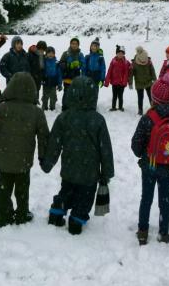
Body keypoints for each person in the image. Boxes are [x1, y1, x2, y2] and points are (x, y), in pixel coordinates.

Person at [41, 76, 114, 235]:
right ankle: (76, 219)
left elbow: (55, 143)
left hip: (69, 167)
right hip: (90, 172)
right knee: (85, 198)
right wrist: (107, 172)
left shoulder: (64, 118)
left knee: (66, 191)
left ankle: (57, 211)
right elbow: (105, 149)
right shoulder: (97, 120)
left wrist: (48, 162)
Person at [131, 73, 169, 245]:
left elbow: (136, 145)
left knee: (146, 198)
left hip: (149, 166)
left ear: (153, 97)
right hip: (167, 168)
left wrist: (145, 153)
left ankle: (143, 230)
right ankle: (164, 232)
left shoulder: (147, 118)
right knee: (165, 200)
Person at [0, 72, 50, 227]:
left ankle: (4, 215)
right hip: (24, 160)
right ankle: (22, 213)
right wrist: (42, 156)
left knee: (3, 189)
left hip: (4, 158)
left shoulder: (1, 109)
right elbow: (44, 136)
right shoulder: (36, 112)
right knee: (22, 189)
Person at [129, 46, 156, 115]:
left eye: (144, 61)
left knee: (151, 96)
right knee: (140, 97)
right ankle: (140, 110)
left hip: (148, 81)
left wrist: (155, 79)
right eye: (141, 61)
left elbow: (152, 70)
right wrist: (130, 83)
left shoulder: (149, 61)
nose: (143, 62)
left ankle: (153, 108)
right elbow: (131, 73)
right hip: (139, 82)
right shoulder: (134, 63)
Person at [104, 45, 132, 112]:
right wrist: (107, 81)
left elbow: (128, 71)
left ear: (123, 54)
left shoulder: (126, 62)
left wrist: (125, 82)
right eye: (119, 53)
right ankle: (113, 107)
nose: (120, 55)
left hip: (122, 83)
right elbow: (109, 71)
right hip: (114, 82)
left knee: (120, 96)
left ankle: (120, 107)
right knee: (114, 96)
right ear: (116, 53)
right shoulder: (113, 61)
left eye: (122, 53)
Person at [42, 47, 62, 111]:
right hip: (46, 82)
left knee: (53, 96)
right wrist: (42, 79)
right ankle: (44, 107)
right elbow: (42, 72)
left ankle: (52, 107)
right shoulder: (44, 62)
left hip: (53, 83)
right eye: (49, 53)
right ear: (46, 54)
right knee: (45, 96)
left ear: (54, 54)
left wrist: (59, 84)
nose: (50, 54)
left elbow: (59, 74)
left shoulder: (56, 63)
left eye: (52, 53)